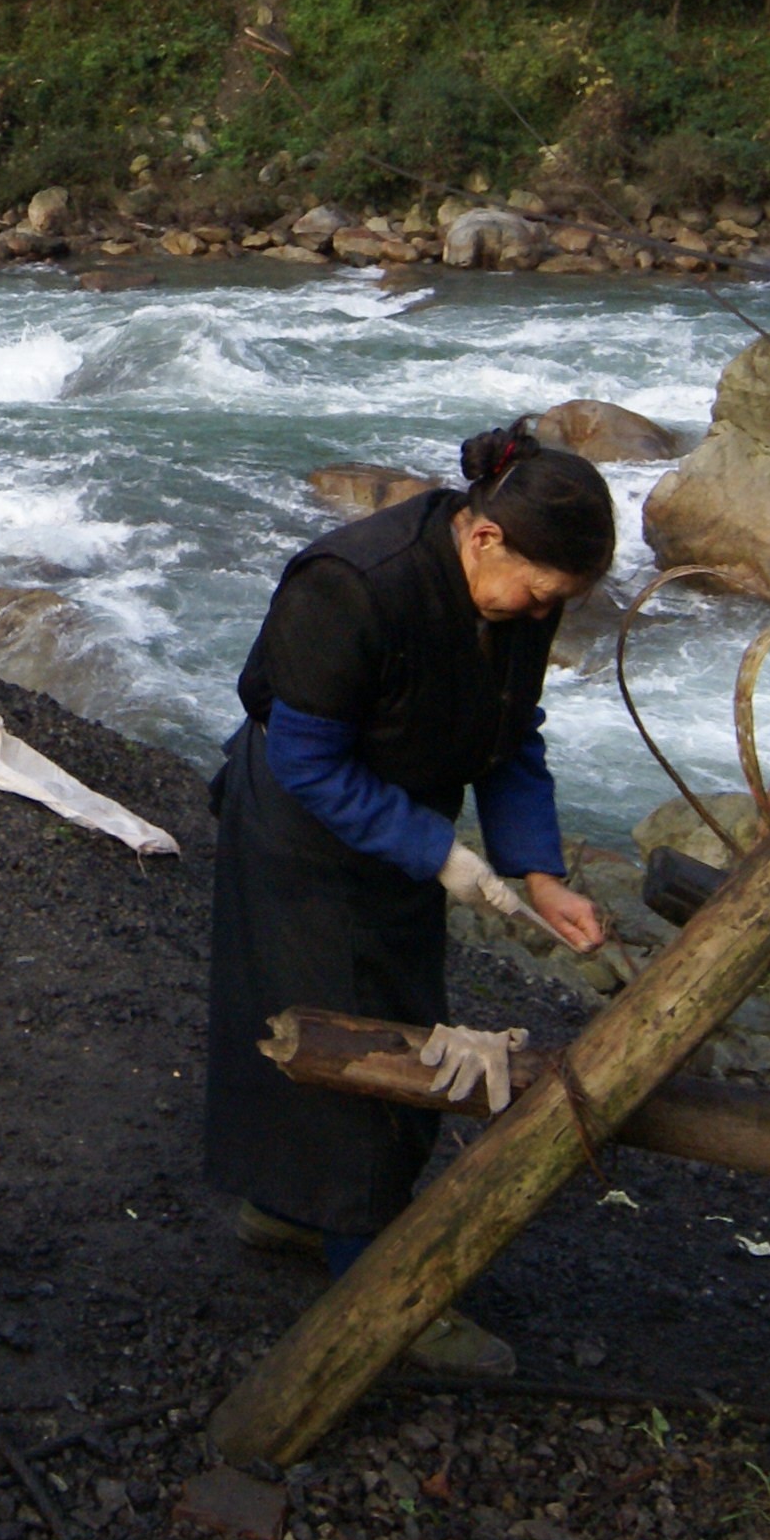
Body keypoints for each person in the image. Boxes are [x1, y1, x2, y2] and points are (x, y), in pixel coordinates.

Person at [203, 421, 617, 1377]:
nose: (538, 613)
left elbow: (513, 732)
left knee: (392, 1004)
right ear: (484, 538)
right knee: (365, 1042)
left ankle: (289, 1210)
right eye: (540, 594)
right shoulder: (352, 584)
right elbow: (308, 757)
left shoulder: (517, 595)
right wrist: (439, 855)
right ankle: (377, 1280)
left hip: (405, 812)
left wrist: (537, 869)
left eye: (554, 604)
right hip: (303, 825)